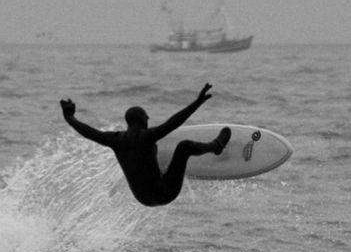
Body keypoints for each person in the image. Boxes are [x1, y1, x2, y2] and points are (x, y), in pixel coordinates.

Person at [60, 83, 231, 207]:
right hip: (165, 193)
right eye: (147, 117)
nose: (149, 119)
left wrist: (70, 117)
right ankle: (216, 146)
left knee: (148, 166)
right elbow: (174, 122)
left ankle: (162, 171)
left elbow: (88, 131)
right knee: (184, 147)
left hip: (142, 199)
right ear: (143, 120)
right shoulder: (147, 136)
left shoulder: (114, 139)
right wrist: (197, 102)